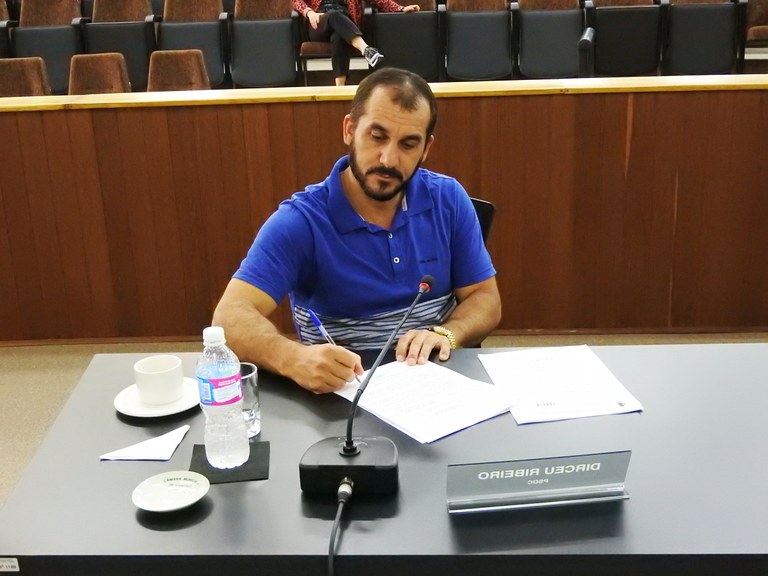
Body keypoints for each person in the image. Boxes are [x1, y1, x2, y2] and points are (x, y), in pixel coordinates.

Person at [213, 67, 501, 394]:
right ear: (349, 130)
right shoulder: (300, 221)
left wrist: (447, 333)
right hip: (343, 398)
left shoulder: (448, 199)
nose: (388, 159)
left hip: (438, 390)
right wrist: (292, 357)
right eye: (377, 136)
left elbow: (485, 298)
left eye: (408, 144)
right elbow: (229, 317)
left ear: (426, 149)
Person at [293, 0, 421, 86]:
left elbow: (378, 1)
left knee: (339, 36)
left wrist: (401, 8)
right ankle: (366, 50)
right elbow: (296, 1)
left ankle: (339, 89)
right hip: (319, 25)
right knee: (333, 15)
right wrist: (309, 12)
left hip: (345, 25)